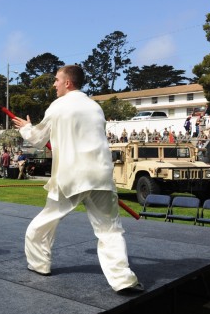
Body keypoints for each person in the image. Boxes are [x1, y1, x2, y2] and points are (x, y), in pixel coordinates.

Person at [12, 65, 142, 294]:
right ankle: (122, 279)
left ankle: (39, 264)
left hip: (71, 176)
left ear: (68, 83)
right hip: (100, 175)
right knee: (110, 230)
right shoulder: (95, 107)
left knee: (43, 223)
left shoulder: (59, 106)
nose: (54, 84)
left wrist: (25, 127)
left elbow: (37, 139)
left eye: (56, 80)